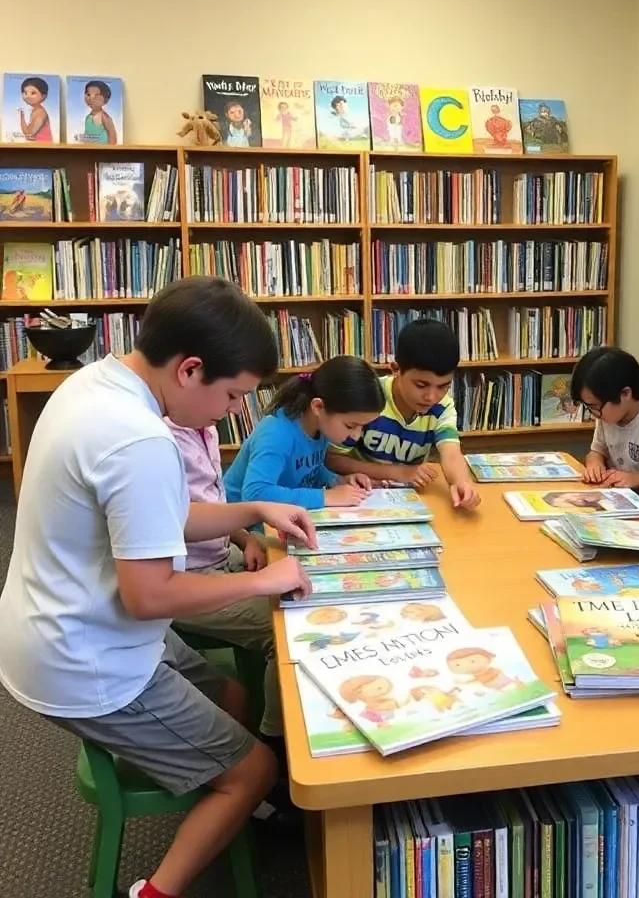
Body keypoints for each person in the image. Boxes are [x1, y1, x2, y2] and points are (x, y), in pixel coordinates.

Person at [0, 277, 316, 898]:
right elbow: (151, 595)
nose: (232, 412)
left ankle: (220, 807)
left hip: (61, 620)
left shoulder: (97, 384)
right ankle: (156, 890)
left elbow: (159, 517)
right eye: (232, 396)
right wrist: (273, 578)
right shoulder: (140, 439)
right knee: (257, 771)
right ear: (191, 369)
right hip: (86, 659)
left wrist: (252, 508)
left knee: (231, 696)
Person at [165, 419, 284, 759]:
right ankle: (275, 742)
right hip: (187, 580)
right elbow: (170, 523)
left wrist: (245, 537)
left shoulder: (206, 425)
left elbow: (210, 505)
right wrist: (258, 581)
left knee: (294, 562)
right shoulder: (159, 441)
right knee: (284, 632)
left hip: (222, 554)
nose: (236, 408)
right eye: (232, 394)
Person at [326, 318, 481, 510]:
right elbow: (333, 459)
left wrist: (462, 482)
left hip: (410, 499)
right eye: (421, 385)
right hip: (361, 494)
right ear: (395, 370)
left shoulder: (443, 407)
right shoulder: (369, 399)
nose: (431, 397)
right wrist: (397, 472)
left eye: (443, 386)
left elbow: (451, 454)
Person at [223, 355, 384, 510]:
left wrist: (338, 481)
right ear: (318, 407)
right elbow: (255, 493)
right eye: (350, 425)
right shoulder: (276, 433)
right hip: (239, 528)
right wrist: (325, 497)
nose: (356, 436)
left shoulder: (319, 428)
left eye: (362, 427)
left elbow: (308, 468)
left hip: (280, 516)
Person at [570, 347, 639, 505]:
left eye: (595, 406)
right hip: (617, 503)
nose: (593, 414)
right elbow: (597, 451)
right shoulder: (607, 415)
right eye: (588, 406)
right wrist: (595, 464)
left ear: (625, 393)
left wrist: (637, 479)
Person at [82, 79, 118, 144]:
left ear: (106, 99)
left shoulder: (104, 117)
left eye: (97, 95)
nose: (91, 98)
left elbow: (112, 135)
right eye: (88, 94)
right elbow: (87, 136)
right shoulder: (88, 117)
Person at [18, 76, 53, 142]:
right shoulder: (35, 110)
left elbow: (29, 134)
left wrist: (21, 116)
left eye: (33, 93)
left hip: (42, 147)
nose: (28, 96)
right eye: (25, 93)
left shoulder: (40, 112)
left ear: (43, 96)